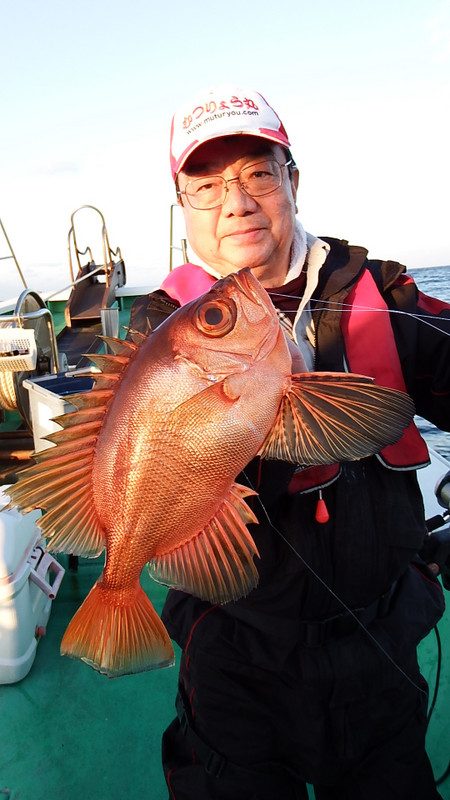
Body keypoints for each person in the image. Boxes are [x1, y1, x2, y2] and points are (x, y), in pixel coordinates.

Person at [130, 87, 450, 799]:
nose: (235, 202)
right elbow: (130, 452)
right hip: (232, 651)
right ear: (184, 210)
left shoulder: (381, 291)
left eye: (257, 173)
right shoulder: (157, 334)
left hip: (379, 638)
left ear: (292, 181)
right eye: (206, 186)